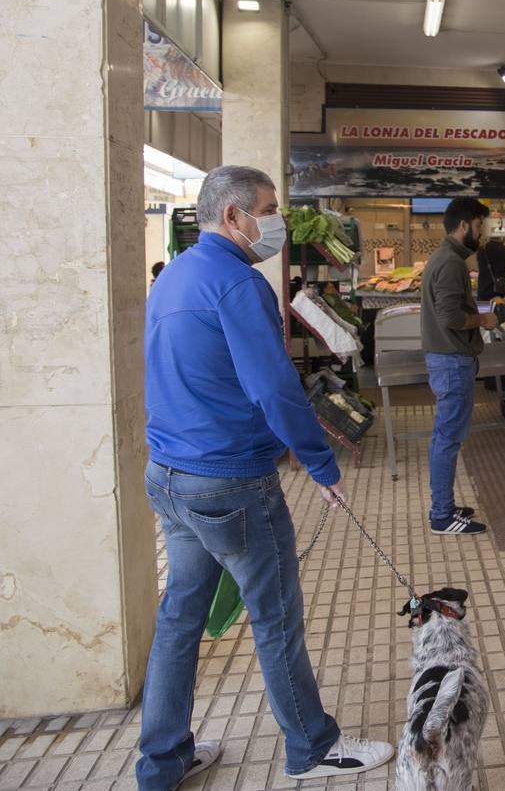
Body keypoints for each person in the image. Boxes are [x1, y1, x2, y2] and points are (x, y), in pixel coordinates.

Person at [139, 165, 393, 788]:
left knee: (179, 618)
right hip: (229, 480)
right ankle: (312, 747)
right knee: (275, 614)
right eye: (270, 208)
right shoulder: (237, 283)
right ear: (234, 216)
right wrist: (319, 462)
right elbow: (273, 386)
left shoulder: (173, 279)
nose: (275, 220)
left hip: (169, 475)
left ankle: (162, 760)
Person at [421, 197, 495, 535]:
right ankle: (442, 514)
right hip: (452, 360)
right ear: (464, 224)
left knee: (445, 436)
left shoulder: (445, 257)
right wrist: (484, 319)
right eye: (480, 226)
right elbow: (450, 316)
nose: (482, 233)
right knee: (447, 438)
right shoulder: (450, 262)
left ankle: (444, 505)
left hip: (447, 358)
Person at [475, 236, 505, 303]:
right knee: (503, 312)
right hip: (503, 295)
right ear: (501, 238)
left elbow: (480, 268)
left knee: (484, 312)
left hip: (484, 294)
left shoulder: (482, 250)